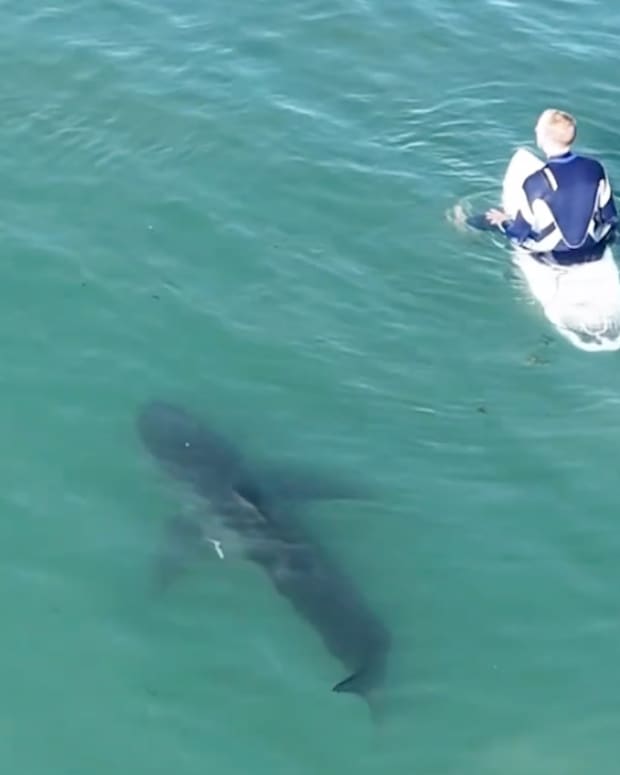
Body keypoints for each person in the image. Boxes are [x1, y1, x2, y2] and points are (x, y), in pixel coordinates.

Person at [467, 109, 618, 265]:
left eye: (538, 127)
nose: (535, 129)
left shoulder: (535, 183)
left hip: (554, 255)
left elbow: (518, 233)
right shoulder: (595, 168)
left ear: (543, 138)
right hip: (594, 246)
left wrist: (504, 221)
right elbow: (610, 217)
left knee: (477, 221)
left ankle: (460, 223)